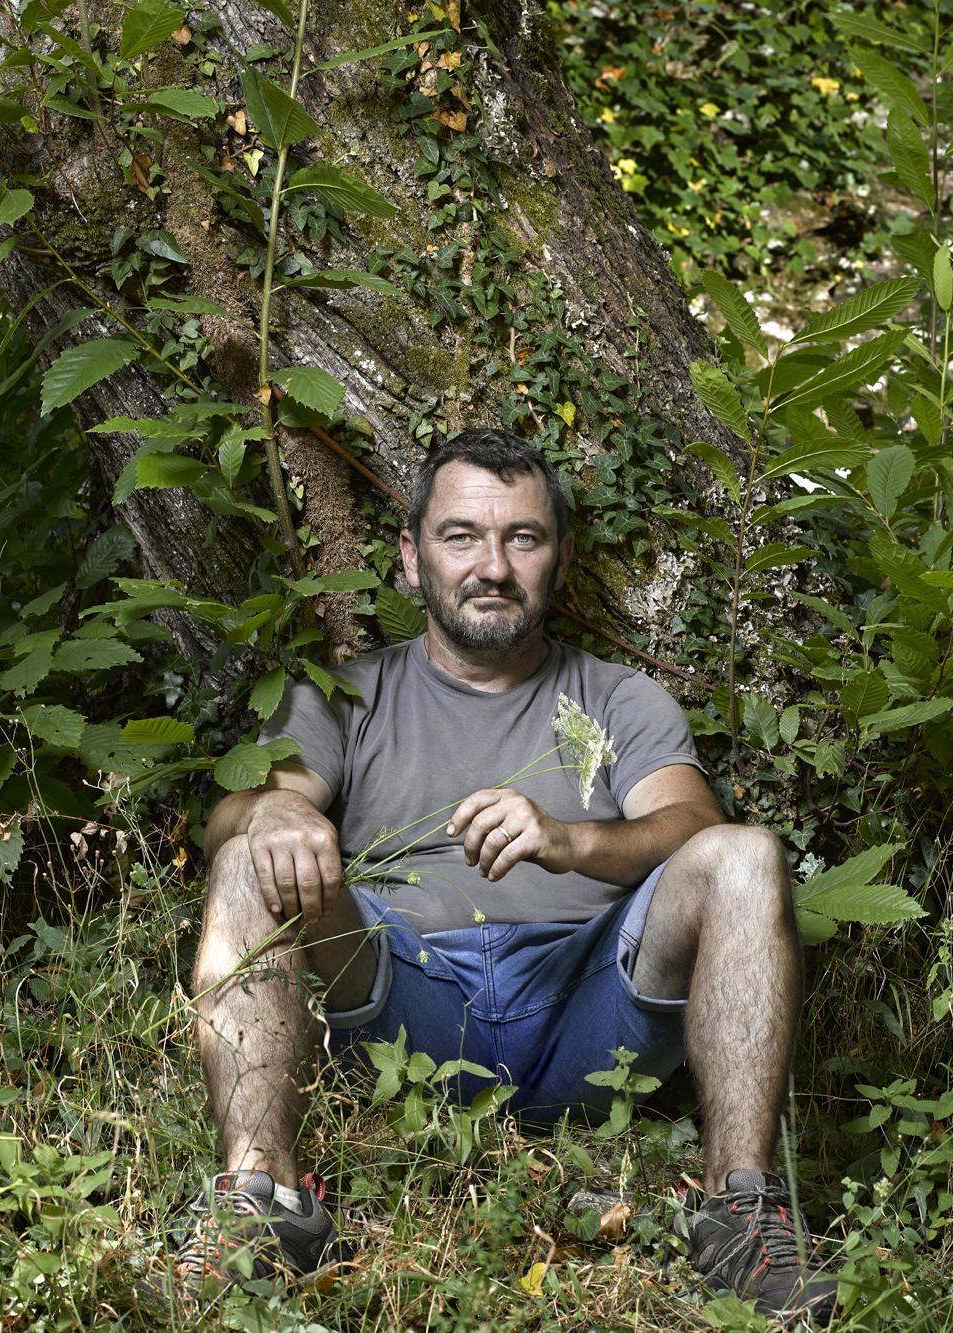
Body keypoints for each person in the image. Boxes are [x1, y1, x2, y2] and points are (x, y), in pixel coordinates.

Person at [176, 428, 836, 1323]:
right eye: (461, 536)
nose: (492, 564)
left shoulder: (617, 697)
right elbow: (229, 818)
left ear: (558, 560)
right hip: (408, 1002)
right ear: (411, 559)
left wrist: (567, 841)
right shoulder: (342, 695)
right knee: (248, 855)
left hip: (586, 1009)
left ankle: (740, 1211)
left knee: (748, 855)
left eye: (522, 537)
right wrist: (274, 810)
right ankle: (263, 1201)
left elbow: (694, 826)